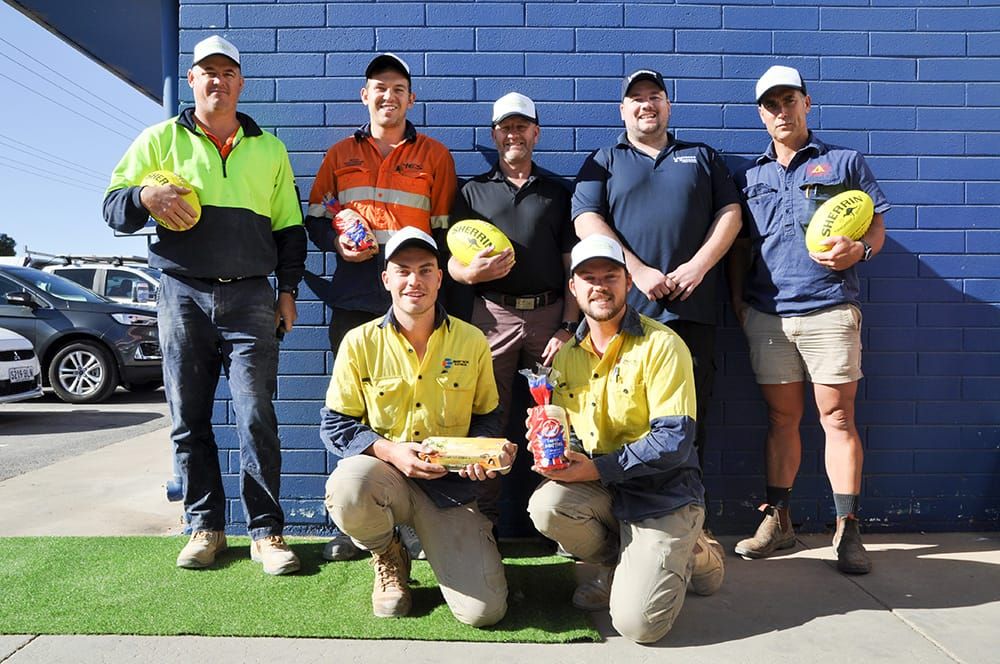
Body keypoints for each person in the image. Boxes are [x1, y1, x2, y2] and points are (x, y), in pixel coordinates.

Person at [103, 35, 306, 575]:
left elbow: (290, 229)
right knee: (188, 418)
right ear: (192, 81)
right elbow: (112, 206)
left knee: (256, 415)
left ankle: (266, 532)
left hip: (252, 297)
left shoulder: (270, 149)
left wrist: (287, 292)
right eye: (206, 72)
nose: (217, 80)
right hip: (182, 294)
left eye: (227, 72)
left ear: (241, 82)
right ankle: (205, 527)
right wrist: (144, 198)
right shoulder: (158, 139)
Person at [728, 65, 888, 574]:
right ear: (760, 113)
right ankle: (780, 520)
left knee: (837, 418)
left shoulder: (843, 162)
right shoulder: (748, 176)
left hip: (829, 310)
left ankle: (848, 529)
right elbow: (741, 250)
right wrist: (739, 303)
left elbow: (877, 225)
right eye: (770, 104)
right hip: (768, 316)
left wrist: (860, 249)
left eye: (789, 100)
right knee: (781, 420)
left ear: (806, 103)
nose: (781, 111)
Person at [527, 234, 725, 644]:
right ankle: (622, 562)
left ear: (627, 283)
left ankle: (695, 550)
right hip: (605, 489)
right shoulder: (565, 357)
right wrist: (552, 447)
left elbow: (675, 440)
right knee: (546, 506)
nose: (600, 286)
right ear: (574, 288)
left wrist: (596, 467)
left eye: (610, 276)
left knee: (639, 627)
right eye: (589, 278)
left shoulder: (663, 344)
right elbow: (575, 437)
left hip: (663, 491)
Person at [572, 69, 742, 531]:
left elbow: (731, 213)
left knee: (687, 425)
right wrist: (636, 271)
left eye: (655, 97)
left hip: (691, 315)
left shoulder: (701, 157)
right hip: (625, 320)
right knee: (616, 421)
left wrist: (699, 266)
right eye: (636, 99)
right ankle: (613, 525)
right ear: (622, 110)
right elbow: (585, 219)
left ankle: (690, 526)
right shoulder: (603, 160)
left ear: (668, 106)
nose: (646, 105)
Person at [304, 53, 457, 561]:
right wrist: (336, 243)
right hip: (353, 293)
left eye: (398, 88)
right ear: (364, 96)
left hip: (414, 295)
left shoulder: (435, 155)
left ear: (411, 99)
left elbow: (441, 234)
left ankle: (417, 519)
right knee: (354, 406)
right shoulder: (338, 154)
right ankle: (357, 524)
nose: (388, 96)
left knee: (421, 399)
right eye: (378, 87)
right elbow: (315, 218)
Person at [320, 226, 512, 626]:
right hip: (385, 477)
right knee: (348, 486)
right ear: (386, 279)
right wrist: (392, 452)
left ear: (440, 278)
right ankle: (389, 553)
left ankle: (448, 550)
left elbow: (488, 416)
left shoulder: (472, 340)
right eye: (403, 270)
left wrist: (479, 455)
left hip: (448, 488)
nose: (415, 281)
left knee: (484, 612)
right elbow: (335, 424)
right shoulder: (360, 342)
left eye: (425, 270)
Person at [448, 92, 579, 524]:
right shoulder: (471, 192)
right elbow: (448, 261)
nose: (513, 134)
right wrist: (469, 275)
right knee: (488, 417)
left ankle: (561, 516)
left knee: (558, 417)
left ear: (536, 133)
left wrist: (567, 325)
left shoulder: (558, 193)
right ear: (494, 134)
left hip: (549, 314)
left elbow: (571, 266)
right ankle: (482, 522)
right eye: (505, 127)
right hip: (493, 315)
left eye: (522, 126)